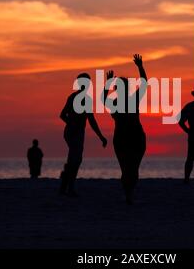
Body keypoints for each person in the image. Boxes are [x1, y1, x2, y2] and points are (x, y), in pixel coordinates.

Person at [102, 54, 147, 205]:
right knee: (129, 169)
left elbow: (144, 84)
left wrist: (140, 67)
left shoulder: (127, 100)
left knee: (130, 169)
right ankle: (129, 194)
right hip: (127, 137)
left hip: (131, 137)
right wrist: (140, 67)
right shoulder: (119, 102)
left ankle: (129, 194)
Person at [60, 73, 107, 197]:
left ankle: (66, 185)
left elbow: (90, 119)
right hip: (73, 132)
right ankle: (68, 187)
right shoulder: (80, 98)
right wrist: (72, 123)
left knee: (74, 159)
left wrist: (100, 136)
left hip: (75, 132)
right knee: (75, 159)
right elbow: (63, 115)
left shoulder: (77, 98)